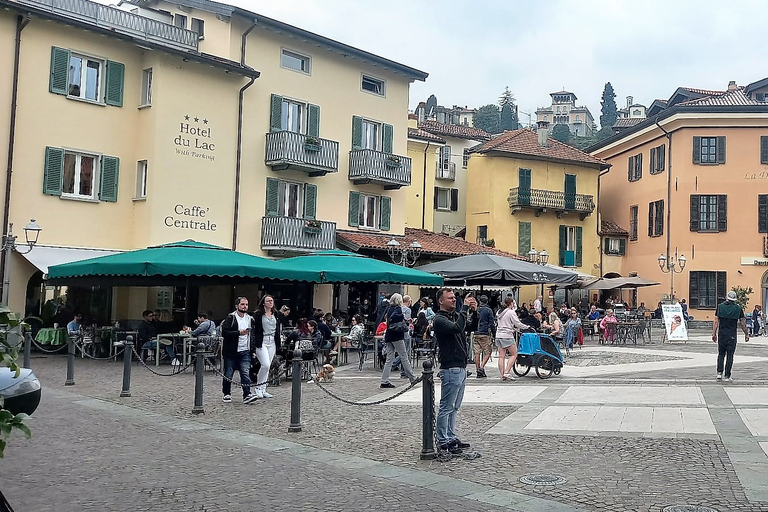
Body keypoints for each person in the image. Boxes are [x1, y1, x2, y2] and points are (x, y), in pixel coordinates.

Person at [433, 288, 474, 455]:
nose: (453, 300)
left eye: (454, 298)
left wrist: (473, 311)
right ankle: (443, 440)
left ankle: (451, 436)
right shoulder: (439, 319)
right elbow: (457, 328)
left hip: (460, 366)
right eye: (450, 298)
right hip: (450, 367)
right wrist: (464, 309)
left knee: (455, 407)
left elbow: (469, 326)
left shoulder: (453, 316)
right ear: (441, 301)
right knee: (447, 406)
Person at [220, 297, 259, 404]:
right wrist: (238, 333)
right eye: (242, 304)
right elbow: (225, 333)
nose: (245, 306)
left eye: (246, 304)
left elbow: (253, 336)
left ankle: (247, 394)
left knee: (245, 373)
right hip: (231, 351)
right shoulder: (231, 317)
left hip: (245, 350)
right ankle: (226, 393)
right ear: (237, 306)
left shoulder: (250, 319)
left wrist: (253, 350)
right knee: (228, 373)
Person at [380, 293, 417, 388]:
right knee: (404, 356)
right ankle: (412, 378)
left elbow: (390, 319)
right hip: (397, 336)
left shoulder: (389, 309)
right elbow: (396, 317)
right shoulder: (397, 309)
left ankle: (384, 380)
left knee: (389, 358)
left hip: (389, 335)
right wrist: (403, 317)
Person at [712, 290, 749, 382]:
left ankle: (719, 373)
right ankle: (727, 375)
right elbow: (742, 323)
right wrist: (746, 334)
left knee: (721, 354)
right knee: (730, 355)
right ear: (735, 299)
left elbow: (716, 321)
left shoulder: (720, 307)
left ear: (727, 298)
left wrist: (714, 333)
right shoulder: (738, 309)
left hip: (722, 334)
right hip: (732, 335)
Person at [252, 294, 284, 399]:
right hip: (262, 341)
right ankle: (258, 387)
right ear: (263, 303)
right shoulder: (258, 314)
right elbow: (255, 330)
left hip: (272, 341)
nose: (271, 302)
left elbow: (279, 327)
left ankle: (263, 388)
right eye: (268, 301)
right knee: (264, 364)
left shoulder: (276, 314)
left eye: (271, 300)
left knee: (268, 365)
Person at [496, 296, 528, 382]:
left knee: (501, 356)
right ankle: (507, 371)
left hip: (498, 335)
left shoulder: (499, 312)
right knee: (514, 354)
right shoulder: (511, 312)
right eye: (513, 303)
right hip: (507, 335)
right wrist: (526, 327)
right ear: (510, 303)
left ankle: (502, 375)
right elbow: (517, 323)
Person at [472, 295, 496, 378]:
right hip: (484, 333)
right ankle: (481, 368)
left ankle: (477, 369)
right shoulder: (489, 310)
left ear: (479, 301)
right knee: (488, 351)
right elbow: (492, 323)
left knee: (477, 352)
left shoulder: (476, 309)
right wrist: (494, 333)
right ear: (487, 301)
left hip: (476, 332)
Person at [391, 295, 414, 379]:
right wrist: (410, 321)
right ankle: (395, 366)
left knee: (402, 352)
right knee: (405, 353)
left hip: (398, 332)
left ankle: (403, 371)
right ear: (408, 301)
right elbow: (406, 322)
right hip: (405, 332)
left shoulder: (398, 308)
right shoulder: (408, 310)